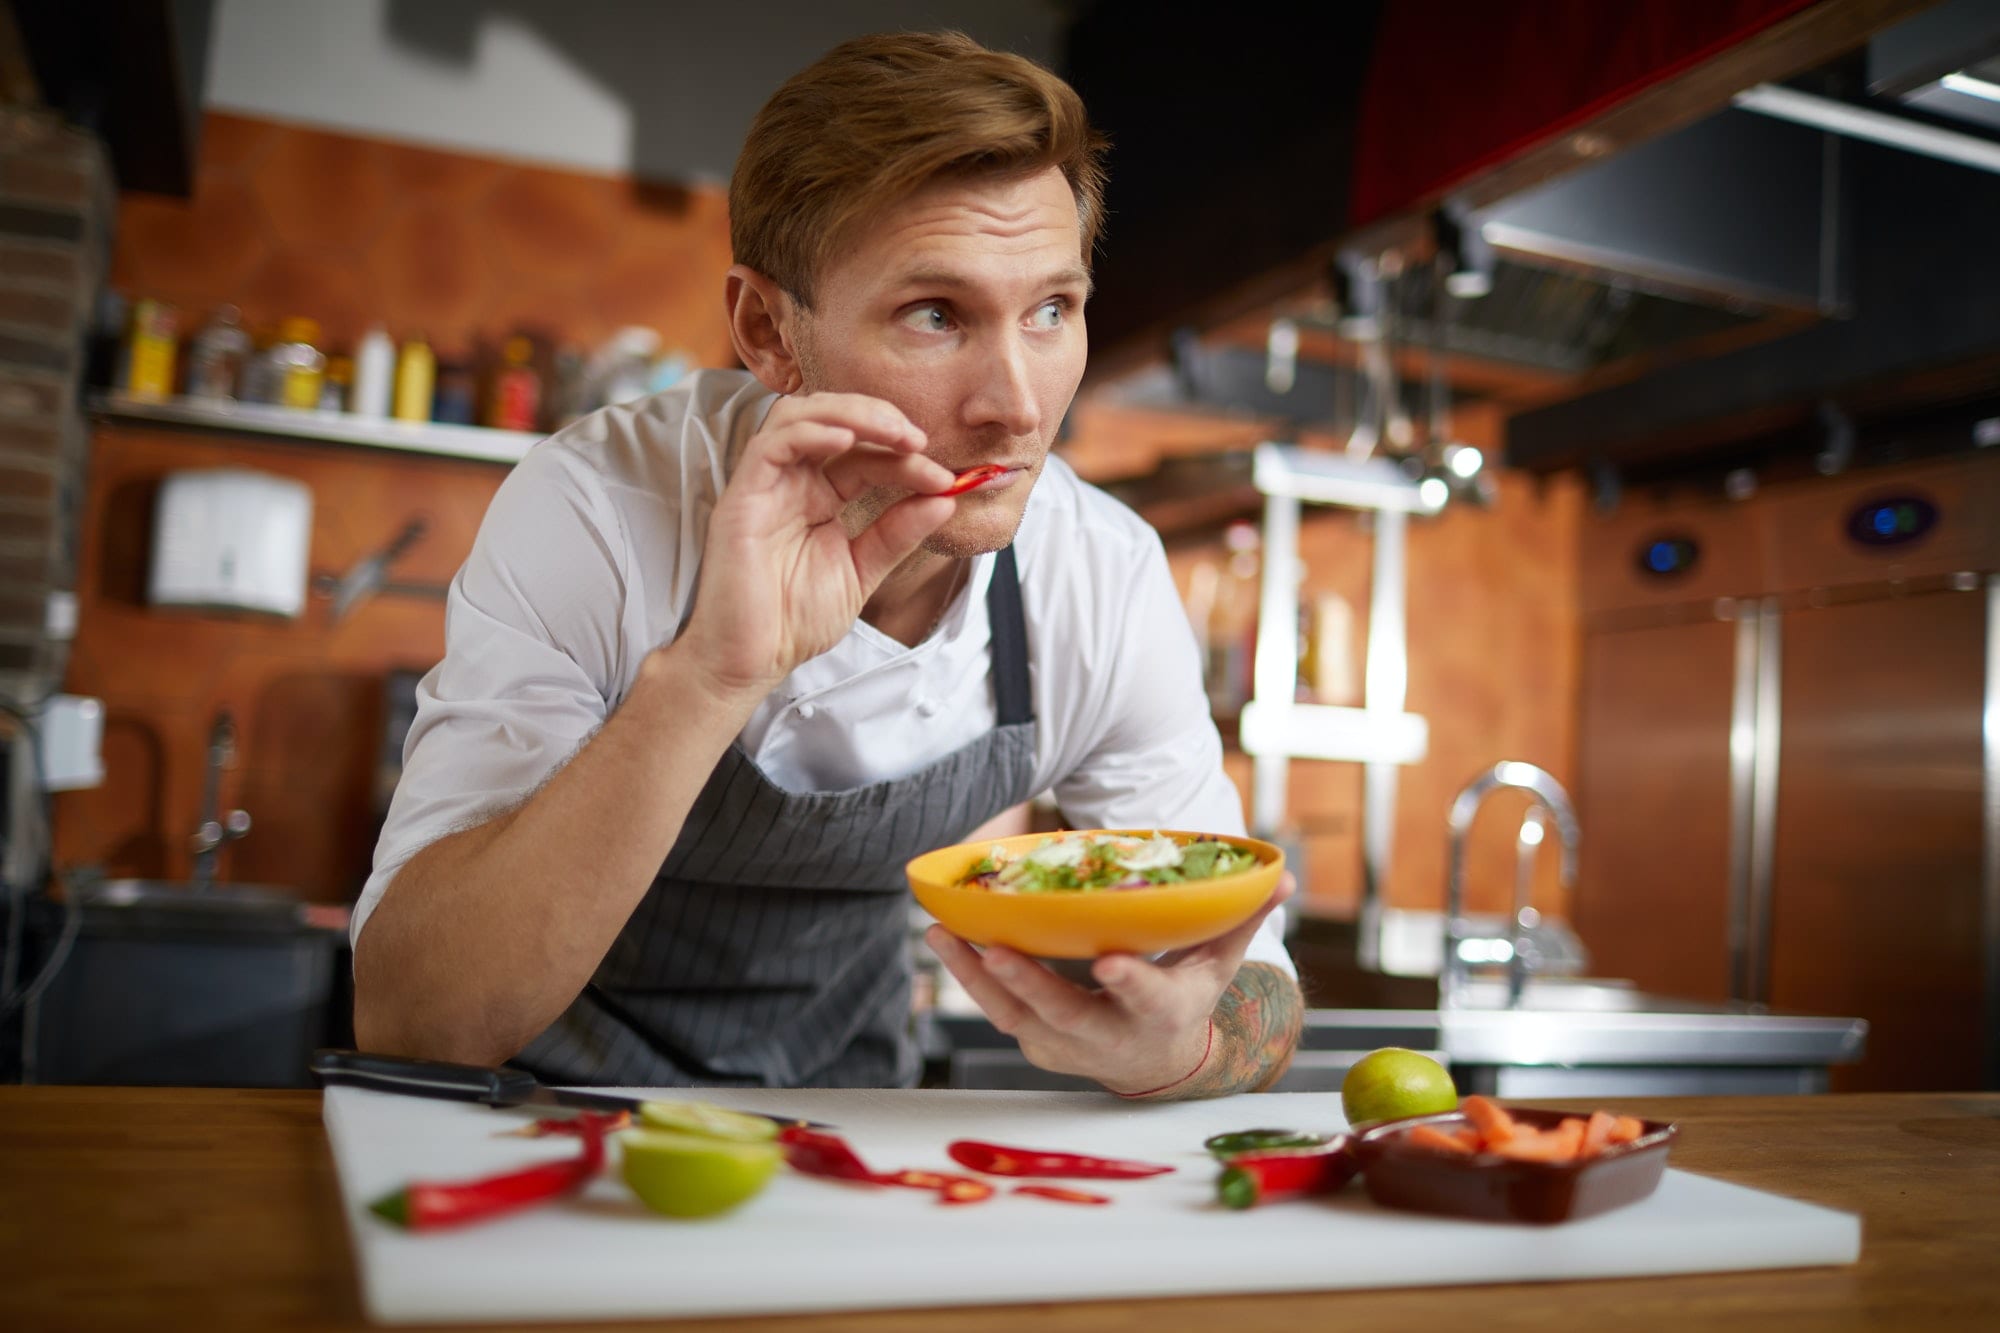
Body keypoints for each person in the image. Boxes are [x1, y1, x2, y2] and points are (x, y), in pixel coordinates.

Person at [351, 31, 1303, 1099]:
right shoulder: (603, 512)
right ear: (767, 331)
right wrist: (711, 674)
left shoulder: (1099, 577)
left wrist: (1184, 1050)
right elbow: (410, 1017)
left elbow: (1251, 977)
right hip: (526, 1129)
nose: (1018, 405)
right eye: (935, 315)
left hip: (844, 1127)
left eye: (1050, 310)